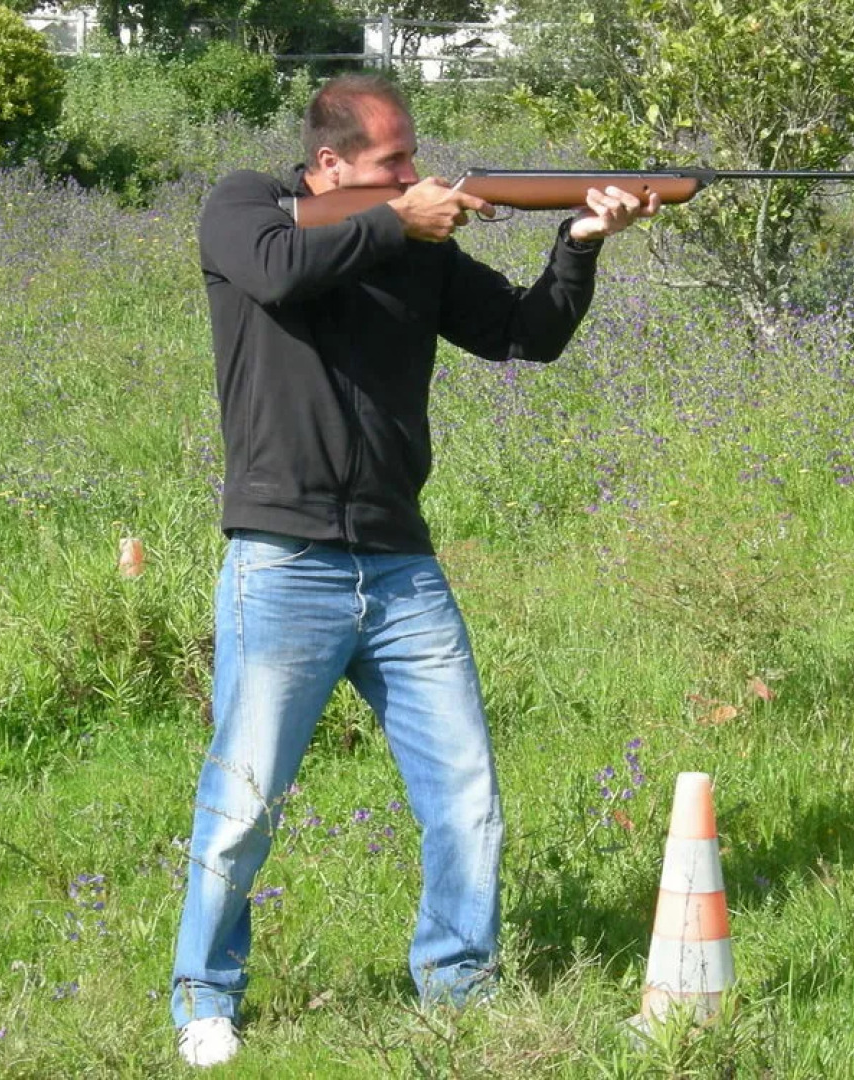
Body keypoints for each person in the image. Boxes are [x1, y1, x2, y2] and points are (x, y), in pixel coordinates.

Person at [171, 72, 658, 1068]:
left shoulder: (418, 247)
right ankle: (205, 996)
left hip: (400, 564)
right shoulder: (244, 206)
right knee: (243, 803)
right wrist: (399, 221)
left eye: (413, 158)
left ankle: (458, 985)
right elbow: (275, 273)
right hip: (285, 558)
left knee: (465, 795)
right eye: (395, 161)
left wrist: (582, 240)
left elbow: (528, 335)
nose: (415, 173)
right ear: (329, 165)